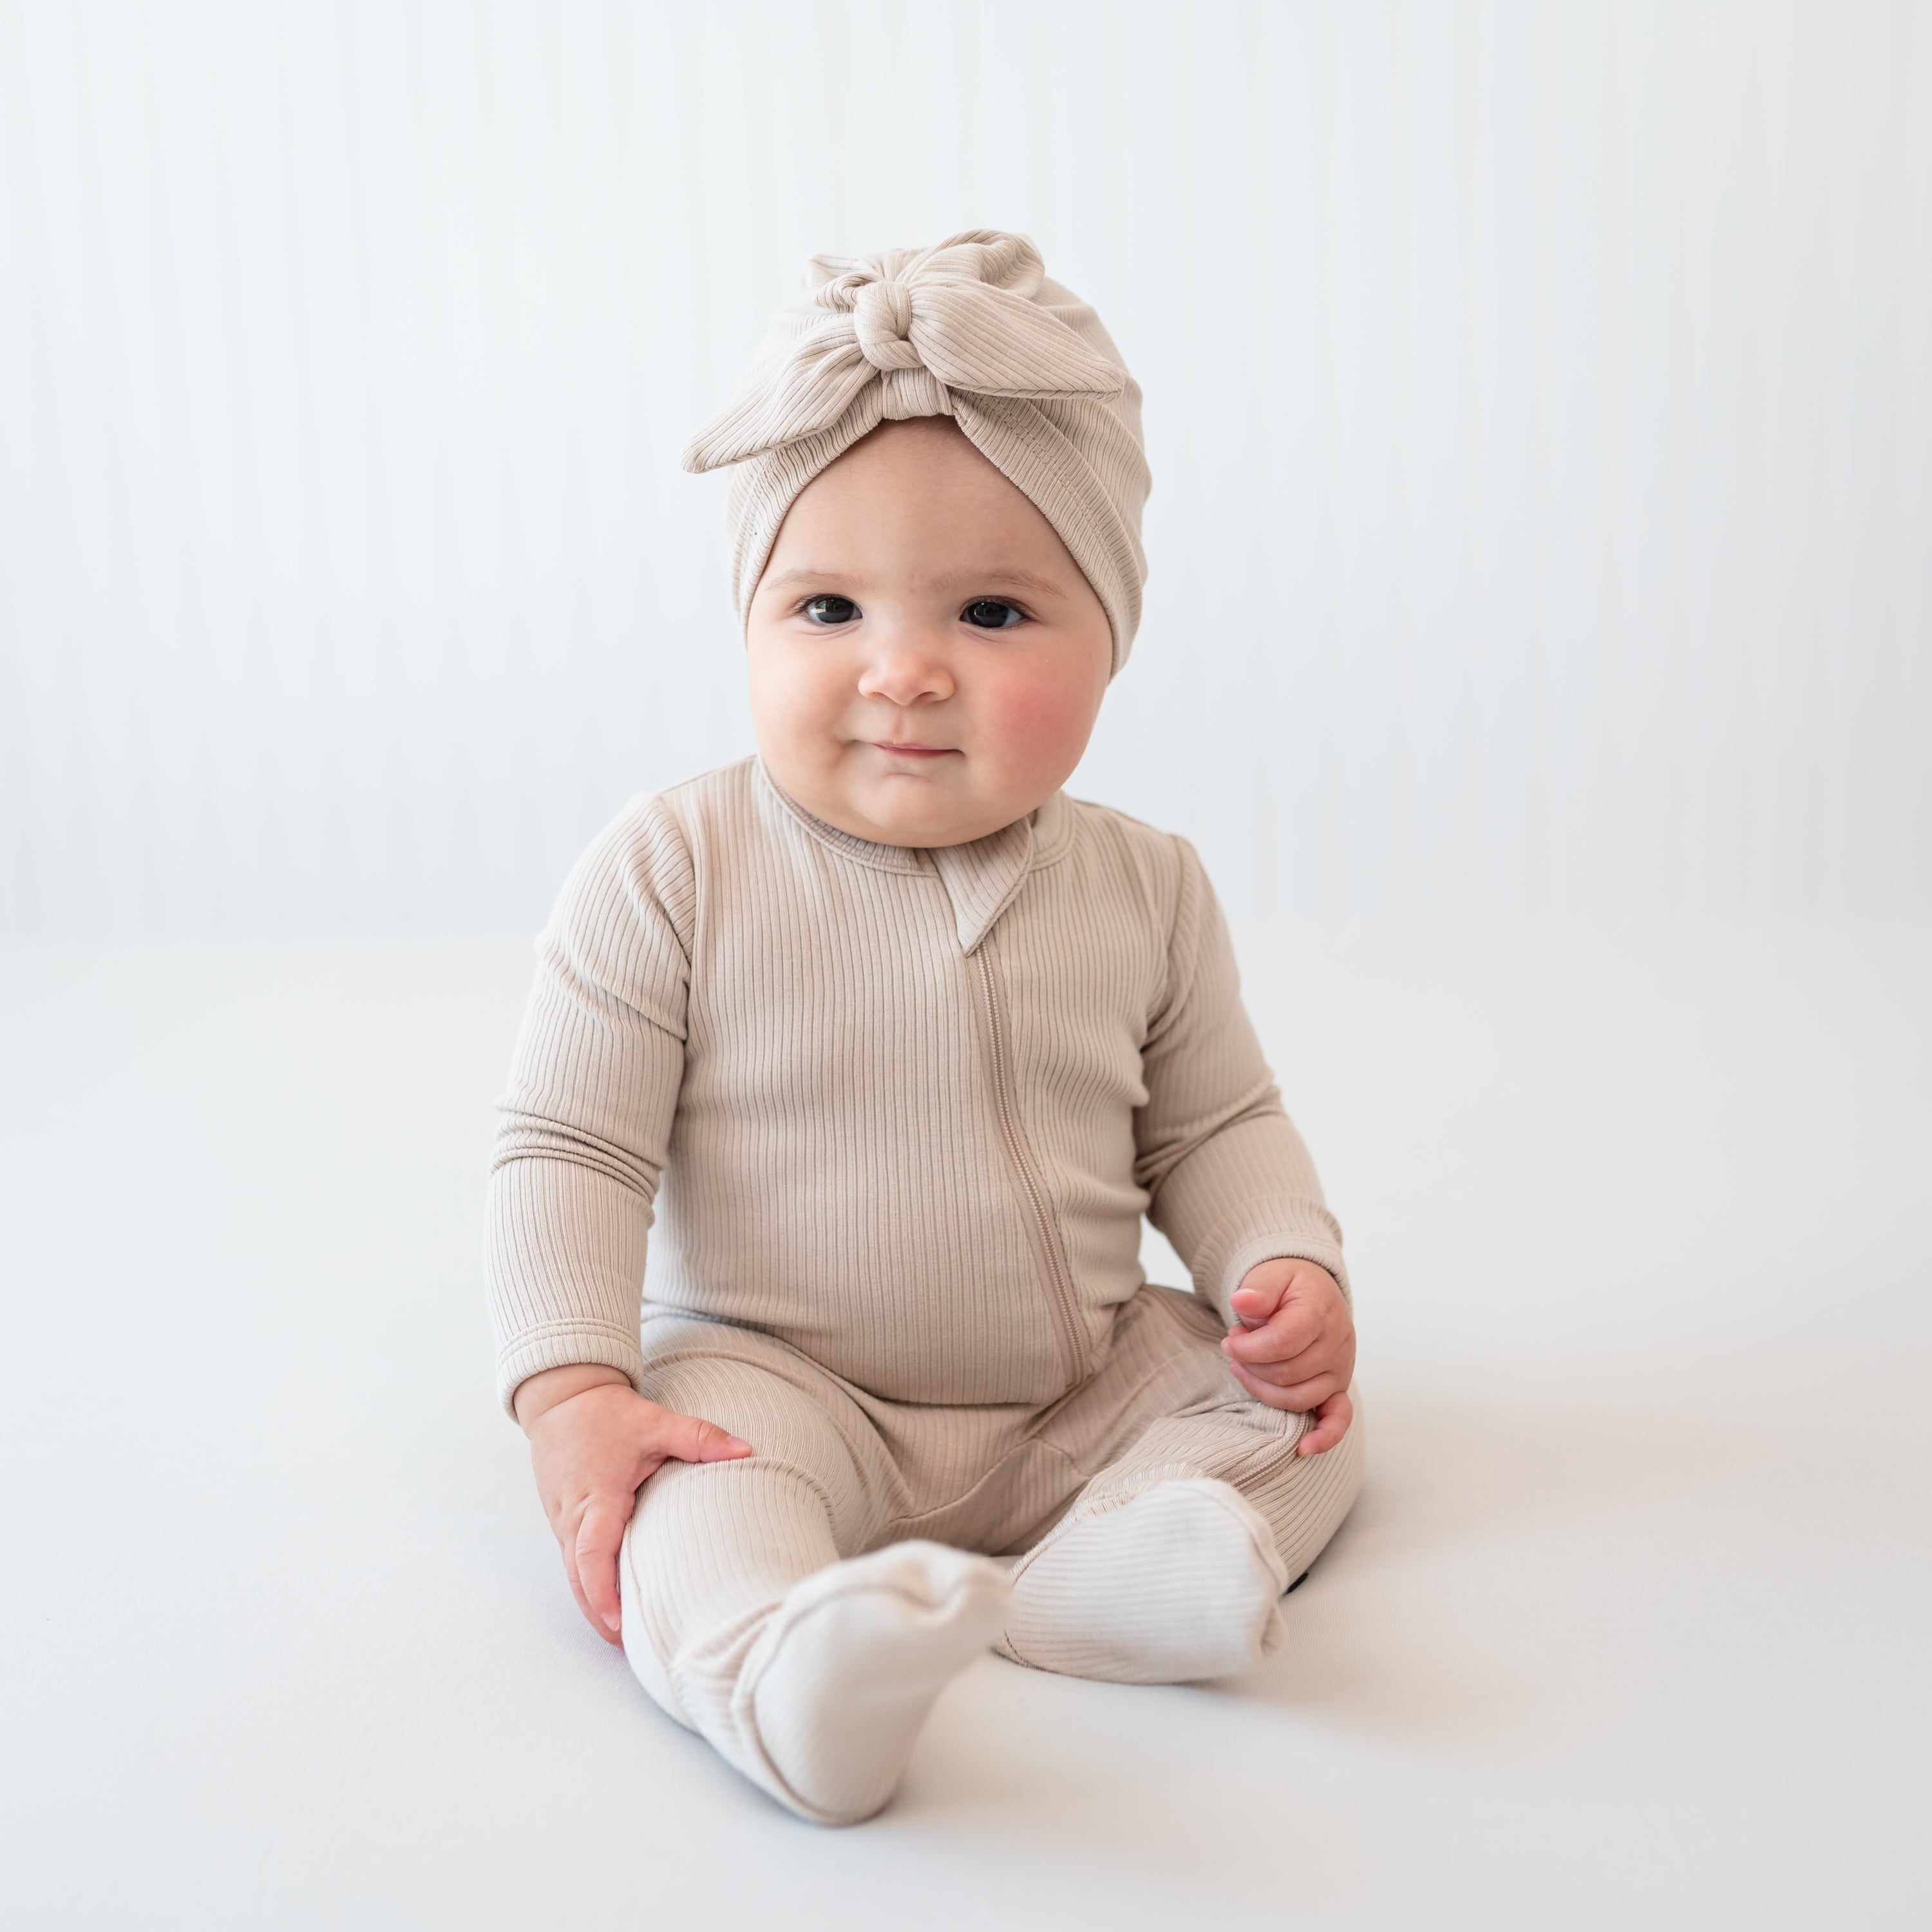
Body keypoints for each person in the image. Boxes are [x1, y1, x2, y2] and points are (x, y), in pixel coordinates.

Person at [486, 230, 1363, 1826]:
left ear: (1111, 637)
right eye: (825, 606)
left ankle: (1110, 1577)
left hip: (1075, 1388)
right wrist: (576, 1392)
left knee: (1310, 1425)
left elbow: (1215, 1125)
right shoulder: (674, 869)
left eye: (991, 613)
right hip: (782, 1380)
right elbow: (569, 1145)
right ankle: (781, 1672)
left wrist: (1279, 1267)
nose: (903, 672)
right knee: (693, 1496)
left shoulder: (1144, 885)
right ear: (747, 621)